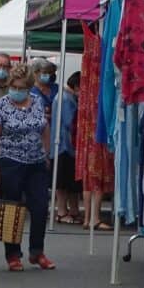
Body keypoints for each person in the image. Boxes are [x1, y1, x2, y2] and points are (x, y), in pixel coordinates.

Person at [0, 64, 55, 271]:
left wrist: (46, 152)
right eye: (14, 87)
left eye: (21, 87)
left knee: (40, 207)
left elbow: (44, 127)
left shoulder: (36, 102)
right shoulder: (0, 106)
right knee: (12, 209)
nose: (17, 91)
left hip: (35, 161)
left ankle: (37, 251)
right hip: (10, 161)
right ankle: (13, 254)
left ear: (28, 87)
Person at [53, 72, 82, 224]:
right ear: (77, 86)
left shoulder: (65, 97)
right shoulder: (66, 99)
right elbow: (69, 124)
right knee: (63, 183)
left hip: (65, 146)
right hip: (64, 146)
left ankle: (72, 210)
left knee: (69, 183)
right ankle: (62, 211)